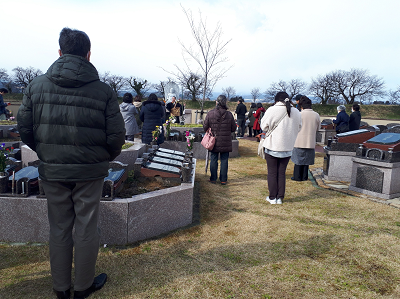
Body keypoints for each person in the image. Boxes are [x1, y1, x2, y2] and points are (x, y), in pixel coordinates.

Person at [17, 27, 125, 299]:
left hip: (53, 169)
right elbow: (116, 136)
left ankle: (61, 287)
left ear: (60, 52)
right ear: (88, 55)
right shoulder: (104, 91)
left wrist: (45, 151)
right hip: (89, 170)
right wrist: (103, 158)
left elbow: (25, 128)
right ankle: (83, 286)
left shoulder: (35, 86)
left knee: (59, 227)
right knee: (87, 226)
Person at [260, 91, 301, 204]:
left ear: (276, 100)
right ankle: (280, 198)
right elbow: (299, 127)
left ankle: (272, 197)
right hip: (287, 147)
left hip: (273, 145)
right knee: (281, 173)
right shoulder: (296, 111)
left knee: (272, 172)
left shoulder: (272, 110)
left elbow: (263, 126)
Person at [203, 95, 236, 185]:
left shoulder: (210, 113)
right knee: (224, 160)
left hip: (214, 141)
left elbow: (205, 127)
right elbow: (233, 128)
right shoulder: (229, 114)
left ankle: (213, 178)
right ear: (225, 102)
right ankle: (223, 179)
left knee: (213, 159)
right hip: (225, 141)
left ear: (217, 102)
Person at [291, 96, 320, 181]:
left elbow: (294, 127)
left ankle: (297, 176)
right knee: (306, 160)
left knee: (298, 160)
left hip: (298, 140)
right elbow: (318, 128)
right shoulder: (316, 115)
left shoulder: (299, 114)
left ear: (301, 106)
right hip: (310, 141)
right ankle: (304, 176)